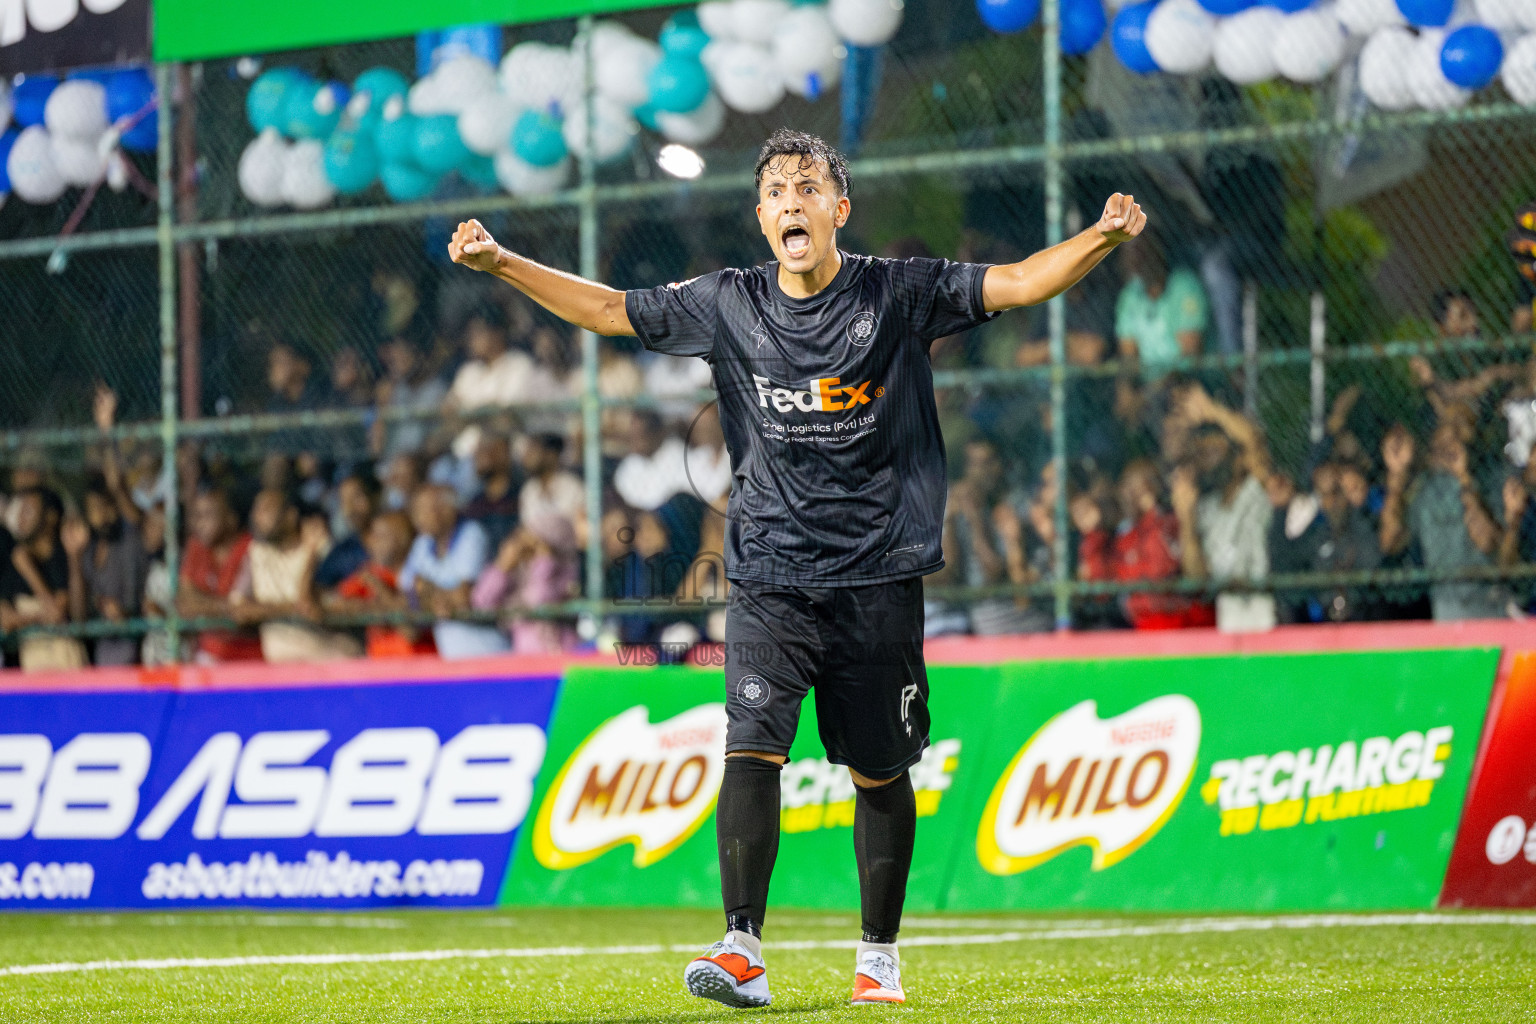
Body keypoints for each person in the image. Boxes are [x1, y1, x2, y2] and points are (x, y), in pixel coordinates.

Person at [448, 127, 1145, 1008]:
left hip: (879, 576)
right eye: (775, 189)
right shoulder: (727, 303)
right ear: (760, 215)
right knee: (750, 745)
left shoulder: (898, 293)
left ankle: (878, 955)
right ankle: (742, 947)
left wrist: (1099, 238)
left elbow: (1014, 283)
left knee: (880, 774)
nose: (789, 200)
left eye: (807, 187)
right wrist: (505, 262)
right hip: (769, 573)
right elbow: (609, 310)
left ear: (837, 210)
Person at [1169, 387, 1275, 632]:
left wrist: (1211, 410)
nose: (1206, 458)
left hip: (1266, 611)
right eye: (1201, 453)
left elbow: (1254, 441)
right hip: (1227, 622)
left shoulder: (1255, 489)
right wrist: (1186, 519)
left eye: (1214, 450)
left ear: (1238, 459)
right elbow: (1196, 579)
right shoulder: (1204, 510)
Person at [1380, 423, 1508, 621]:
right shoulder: (1424, 488)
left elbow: (1487, 542)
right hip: (1446, 611)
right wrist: (1396, 476)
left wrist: (1464, 478)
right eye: (1441, 443)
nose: (1448, 449)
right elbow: (1391, 542)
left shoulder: (1490, 480)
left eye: (1455, 441)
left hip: (1490, 609)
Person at [1077, 458, 1214, 630]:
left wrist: (1152, 512)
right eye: (1125, 488)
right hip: (1145, 629)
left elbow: (1161, 572)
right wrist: (1093, 534)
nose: (1126, 495)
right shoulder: (1125, 536)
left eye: (1135, 488)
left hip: (1184, 625)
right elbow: (1100, 586)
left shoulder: (1168, 523)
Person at [231, 488, 361, 663]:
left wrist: (312, 555)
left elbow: (315, 603)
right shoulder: (256, 553)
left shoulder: (323, 548)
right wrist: (290, 609)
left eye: (266, 509)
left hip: (331, 661)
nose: (257, 516)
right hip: (282, 668)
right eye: (256, 510)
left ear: (290, 516)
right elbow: (239, 610)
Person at [400, 483, 509, 659]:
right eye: (417, 511)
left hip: (490, 652)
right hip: (453, 658)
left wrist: (427, 592)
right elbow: (408, 598)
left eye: (428, 509)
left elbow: (462, 598)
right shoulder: (422, 544)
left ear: (447, 508)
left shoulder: (472, 533)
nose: (419, 517)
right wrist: (432, 597)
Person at [64, 477, 151, 665]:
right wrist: (74, 557)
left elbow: (134, 606)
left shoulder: (129, 544)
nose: (103, 515)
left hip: (128, 644)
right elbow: (79, 616)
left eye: (107, 506)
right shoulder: (89, 550)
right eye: (95, 509)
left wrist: (121, 613)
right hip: (97, 647)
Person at [326, 510, 435, 658]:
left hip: (418, 669)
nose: (372, 542)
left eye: (381, 536)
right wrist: (364, 606)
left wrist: (378, 589)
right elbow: (333, 604)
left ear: (402, 540)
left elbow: (410, 632)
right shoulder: (370, 573)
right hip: (379, 669)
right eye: (373, 536)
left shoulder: (421, 576)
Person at [178, 489, 264, 663]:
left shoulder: (251, 549)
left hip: (246, 658)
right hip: (206, 656)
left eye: (208, 515)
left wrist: (202, 604)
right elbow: (184, 603)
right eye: (197, 516)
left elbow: (241, 613)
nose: (199, 523)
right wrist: (224, 607)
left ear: (231, 519)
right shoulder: (197, 546)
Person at [0, 487, 82, 670]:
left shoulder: (63, 556)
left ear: (50, 517)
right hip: (32, 668)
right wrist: (37, 617)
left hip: (66, 665)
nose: (21, 516)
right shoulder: (13, 561)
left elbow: (56, 614)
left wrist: (28, 570)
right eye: (21, 509)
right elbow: (5, 619)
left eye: (29, 510)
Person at [1115, 233, 1208, 377]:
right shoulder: (1129, 295)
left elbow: (1189, 356)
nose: (1134, 259)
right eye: (1128, 252)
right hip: (1147, 386)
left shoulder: (1184, 285)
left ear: (1156, 250)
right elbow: (1128, 355)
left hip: (1183, 382)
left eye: (1140, 250)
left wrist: (1153, 391)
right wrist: (1128, 390)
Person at [314, 470, 378, 590]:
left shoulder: (399, 539)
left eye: (357, 497)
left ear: (375, 496)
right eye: (344, 500)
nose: (350, 508)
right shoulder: (343, 551)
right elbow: (319, 588)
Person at [461, 430, 522, 550]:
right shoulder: (475, 503)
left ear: (504, 453)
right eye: (477, 451)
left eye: (485, 449)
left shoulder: (522, 497)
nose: (477, 455)